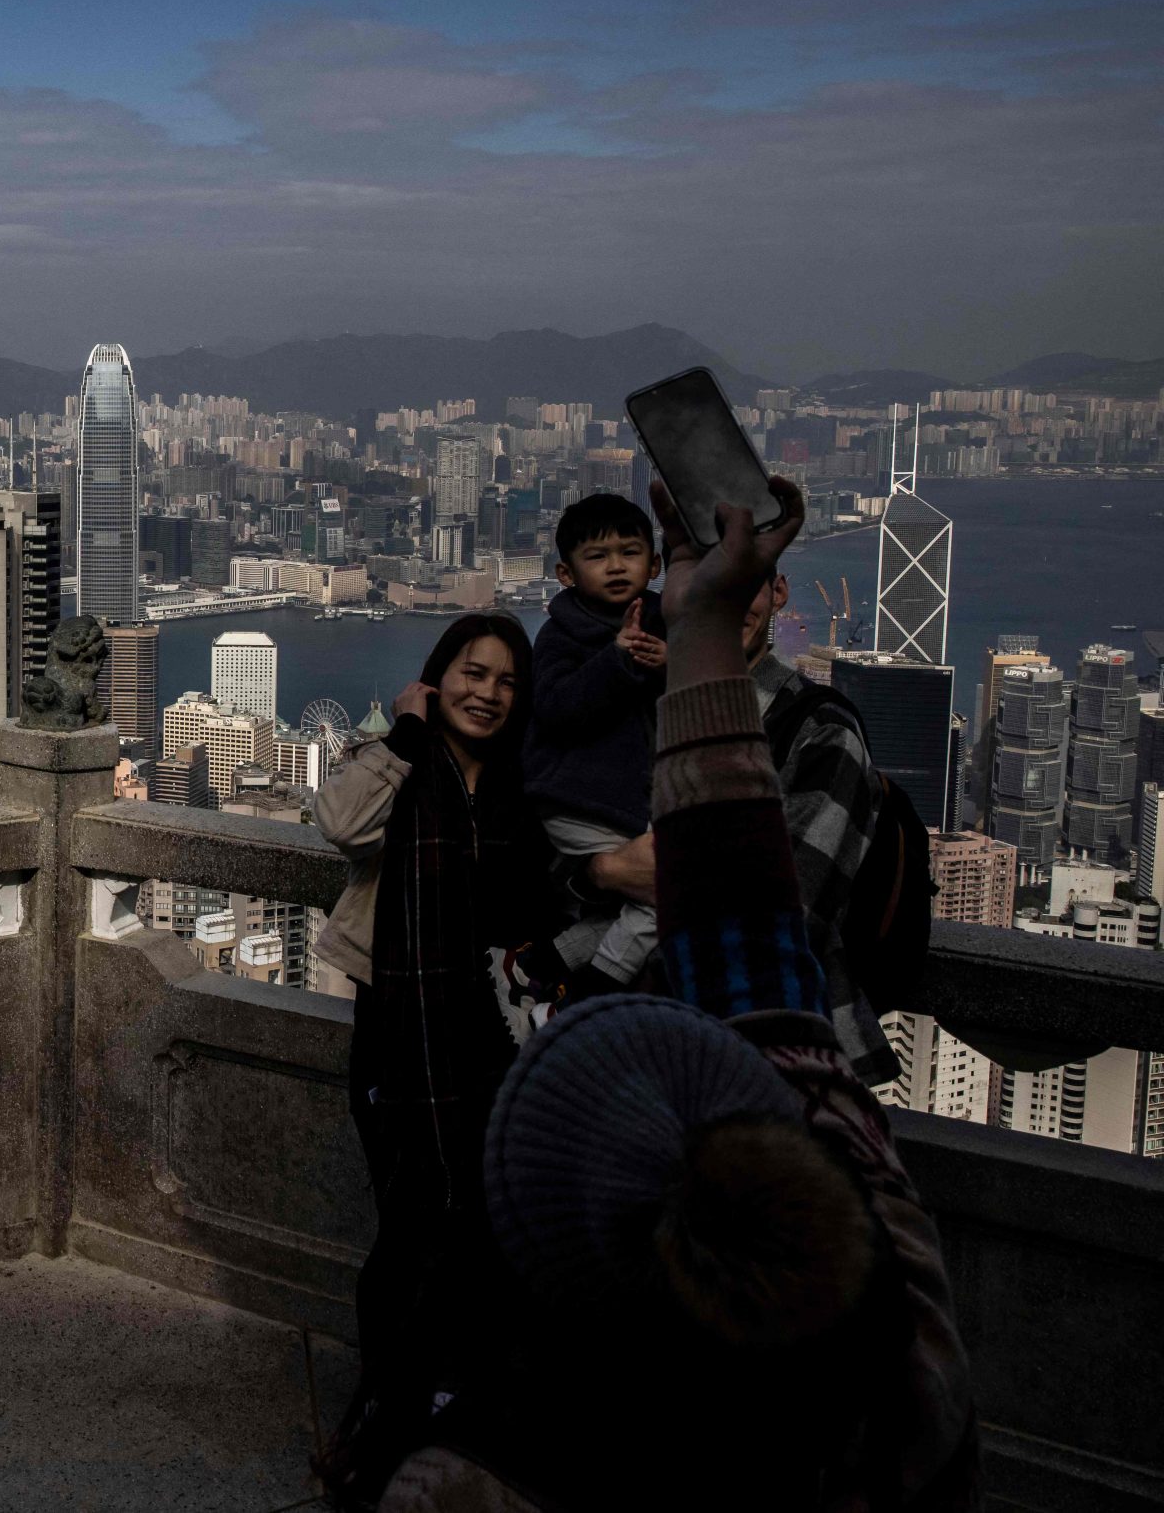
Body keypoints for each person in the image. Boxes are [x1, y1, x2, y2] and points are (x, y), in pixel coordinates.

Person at [381, 477, 978, 1512]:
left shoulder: (820, 732)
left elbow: (775, 908)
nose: (730, 612)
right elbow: (600, 868)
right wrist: (610, 872)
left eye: (741, 597)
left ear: (776, 595)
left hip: (748, 1076)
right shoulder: (637, 703)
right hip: (675, 1070)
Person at [308, 611, 567, 1508]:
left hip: (497, 1035)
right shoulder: (407, 761)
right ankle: (385, 1411)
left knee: (483, 1230)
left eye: (505, 680)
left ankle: (450, 1417)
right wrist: (405, 731)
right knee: (413, 1226)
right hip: (398, 1026)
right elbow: (339, 822)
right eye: (470, 671)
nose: (486, 692)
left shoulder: (526, 784)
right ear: (436, 675)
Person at [739, 572, 899, 1085]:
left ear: (777, 591)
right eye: (703, 582)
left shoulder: (823, 734)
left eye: (742, 580)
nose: (723, 600)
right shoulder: (647, 711)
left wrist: (620, 870)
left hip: (782, 1065)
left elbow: (785, 917)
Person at [521, 492, 668, 994]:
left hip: (631, 801)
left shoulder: (666, 625)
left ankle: (540, 966)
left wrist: (670, 660)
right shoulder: (561, 635)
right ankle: (593, 990)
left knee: (645, 902)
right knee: (668, 895)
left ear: (655, 563)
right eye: (597, 556)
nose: (616, 566)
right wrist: (617, 660)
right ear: (566, 574)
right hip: (577, 801)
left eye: (630, 552)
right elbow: (557, 708)